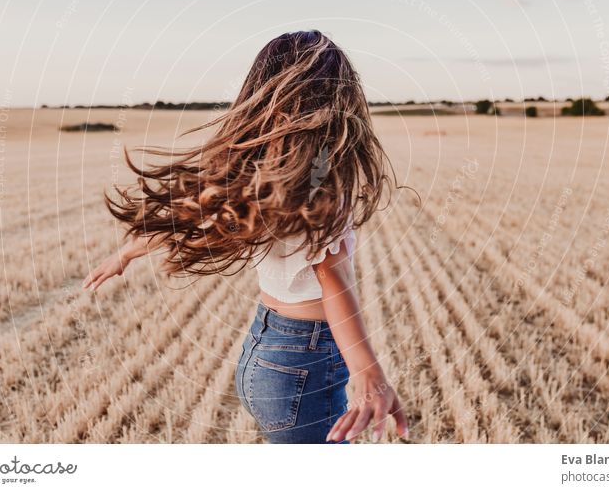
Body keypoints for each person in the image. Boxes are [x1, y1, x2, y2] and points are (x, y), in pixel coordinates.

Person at [82, 30, 410, 444]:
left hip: (264, 351)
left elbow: (198, 212)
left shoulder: (258, 171)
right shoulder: (322, 174)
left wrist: (126, 253)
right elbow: (331, 276)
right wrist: (368, 371)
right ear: (338, 97)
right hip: (304, 361)